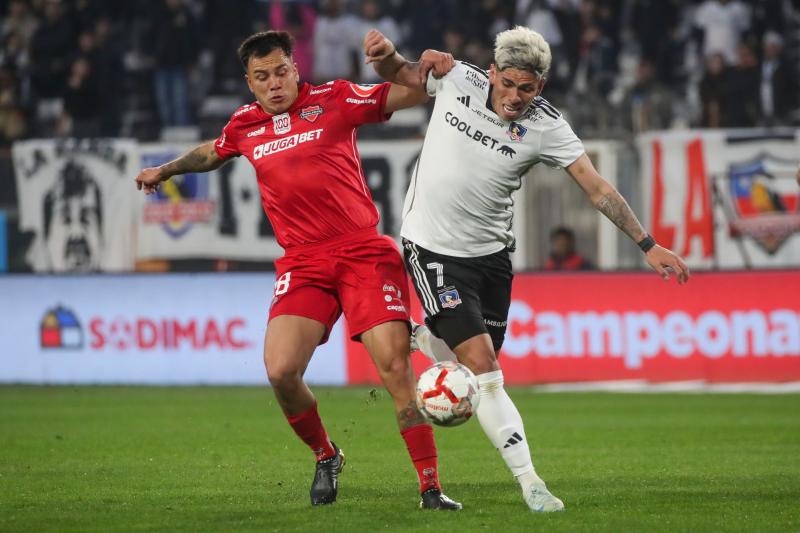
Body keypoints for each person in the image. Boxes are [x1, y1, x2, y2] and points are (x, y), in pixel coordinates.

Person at [364, 26, 690, 512]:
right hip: (431, 248)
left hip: (492, 257)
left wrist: (647, 244)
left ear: (541, 87)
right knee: (486, 370)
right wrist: (386, 54)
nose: (515, 97)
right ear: (492, 73)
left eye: (528, 88)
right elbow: (402, 75)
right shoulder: (457, 80)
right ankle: (531, 483)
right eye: (508, 84)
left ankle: (422, 339)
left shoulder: (547, 126)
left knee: (483, 358)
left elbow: (596, 187)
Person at [135, 30, 462, 510]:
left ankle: (430, 488)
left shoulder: (335, 98)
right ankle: (326, 454)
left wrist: (420, 67)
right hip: (303, 263)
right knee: (281, 371)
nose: (274, 84)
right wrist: (166, 170)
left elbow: (409, 92)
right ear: (250, 83)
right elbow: (213, 152)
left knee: (394, 369)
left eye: (281, 72)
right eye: (262, 77)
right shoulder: (244, 124)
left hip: (362, 253)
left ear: (295, 69)